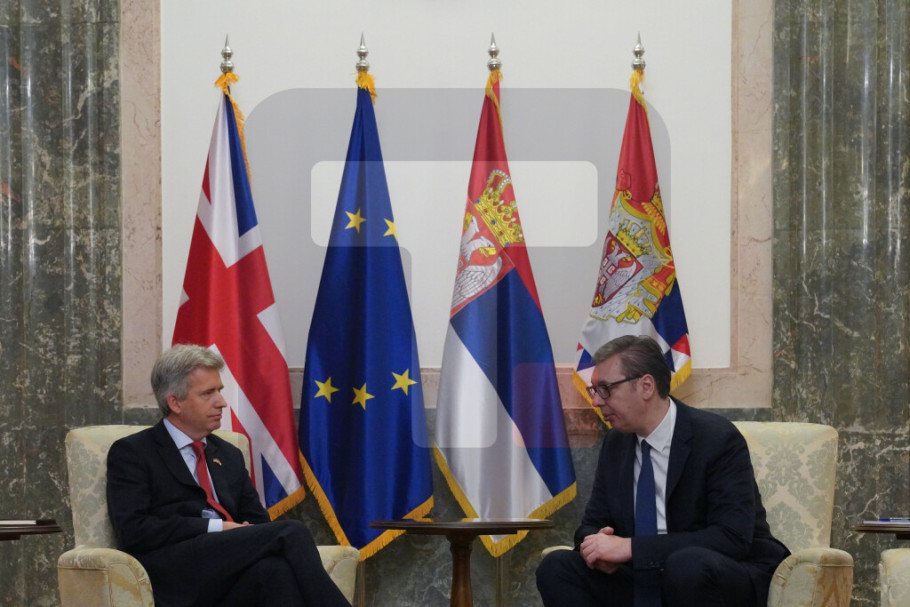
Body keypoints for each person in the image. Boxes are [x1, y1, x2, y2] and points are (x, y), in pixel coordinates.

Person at [536, 335, 789, 607]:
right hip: (643, 576)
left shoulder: (716, 438)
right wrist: (597, 545)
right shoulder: (616, 443)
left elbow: (731, 537)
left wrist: (630, 548)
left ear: (646, 386)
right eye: (594, 390)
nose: (597, 401)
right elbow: (592, 523)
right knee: (557, 567)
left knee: (687, 565)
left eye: (606, 389)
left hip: (716, 576)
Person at [106, 344, 350, 607]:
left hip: (227, 571)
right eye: (208, 393)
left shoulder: (228, 454)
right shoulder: (134, 452)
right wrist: (218, 527)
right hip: (176, 573)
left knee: (275, 571)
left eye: (219, 391)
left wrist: (241, 534)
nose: (221, 402)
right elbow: (134, 530)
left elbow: (258, 523)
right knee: (291, 532)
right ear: (175, 402)